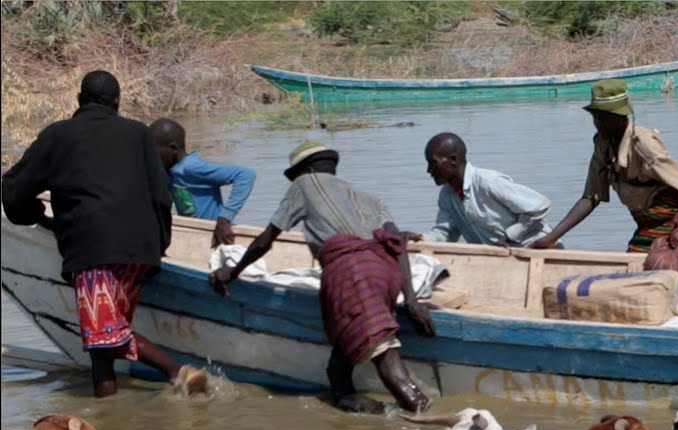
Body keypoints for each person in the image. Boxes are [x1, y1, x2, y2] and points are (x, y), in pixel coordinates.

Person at [2, 70, 206, 399]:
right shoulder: (139, 134)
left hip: (93, 248)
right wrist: (159, 244)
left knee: (103, 334)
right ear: (117, 103)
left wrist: (38, 218)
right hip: (139, 252)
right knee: (103, 342)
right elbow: (161, 196)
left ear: (80, 101)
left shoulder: (58, 135)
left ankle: (177, 372)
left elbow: (13, 190)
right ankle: (107, 413)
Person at [207, 142, 436, 414]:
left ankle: (425, 421)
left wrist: (232, 271)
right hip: (385, 275)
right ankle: (371, 412)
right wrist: (410, 299)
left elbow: (266, 240)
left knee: (389, 367)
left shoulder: (304, 185)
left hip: (354, 275)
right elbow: (397, 244)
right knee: (338, 376)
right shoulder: (367, 197)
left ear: (305, 170)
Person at [529, 79, 678, 253]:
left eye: (605, 119)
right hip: (646, 223)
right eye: (596, 118)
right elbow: (591, 197)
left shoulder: (643, 144)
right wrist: (552, 238)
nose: (599, 124)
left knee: (645, 259)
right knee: (636, 257)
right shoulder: (603, 145)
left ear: (621, 118)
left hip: (674, 220)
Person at [420, 132, 554, 247]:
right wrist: (420, 239)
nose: (429, 171)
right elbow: (445, 234)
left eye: (433, 163)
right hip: (502, 259)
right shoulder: (447, 195)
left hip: (536, 249)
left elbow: (540, 205)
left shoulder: (487, 182)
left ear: (453, 160)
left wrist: (511, 234)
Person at [149, 117, 256, 248]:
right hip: (198, 234)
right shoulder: (170, 171)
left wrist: (224, 219)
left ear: (173, 149)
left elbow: (245, 175)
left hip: (217, 235)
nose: (151, 156)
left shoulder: (191, 168)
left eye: (154, 151)